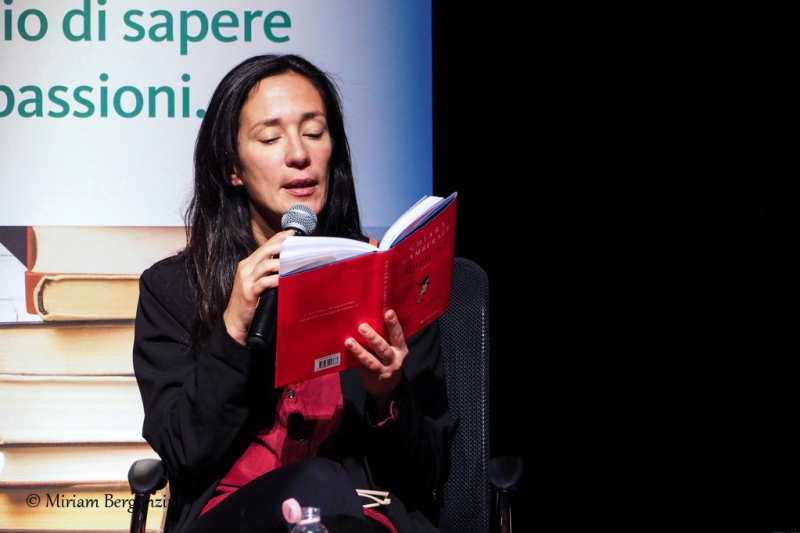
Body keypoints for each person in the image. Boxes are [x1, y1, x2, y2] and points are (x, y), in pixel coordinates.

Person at [132, 53, 451, 533]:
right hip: (235, 518)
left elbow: (426, 478)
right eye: (270, 138)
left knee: (325, 491)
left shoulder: (385, 280)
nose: (299, 154)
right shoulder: (174, 289)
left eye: (314, 132)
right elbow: (184, 457)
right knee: (316, 484)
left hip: (362, 519)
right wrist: (232, 330)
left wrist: (387, 393)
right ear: (231, 168)